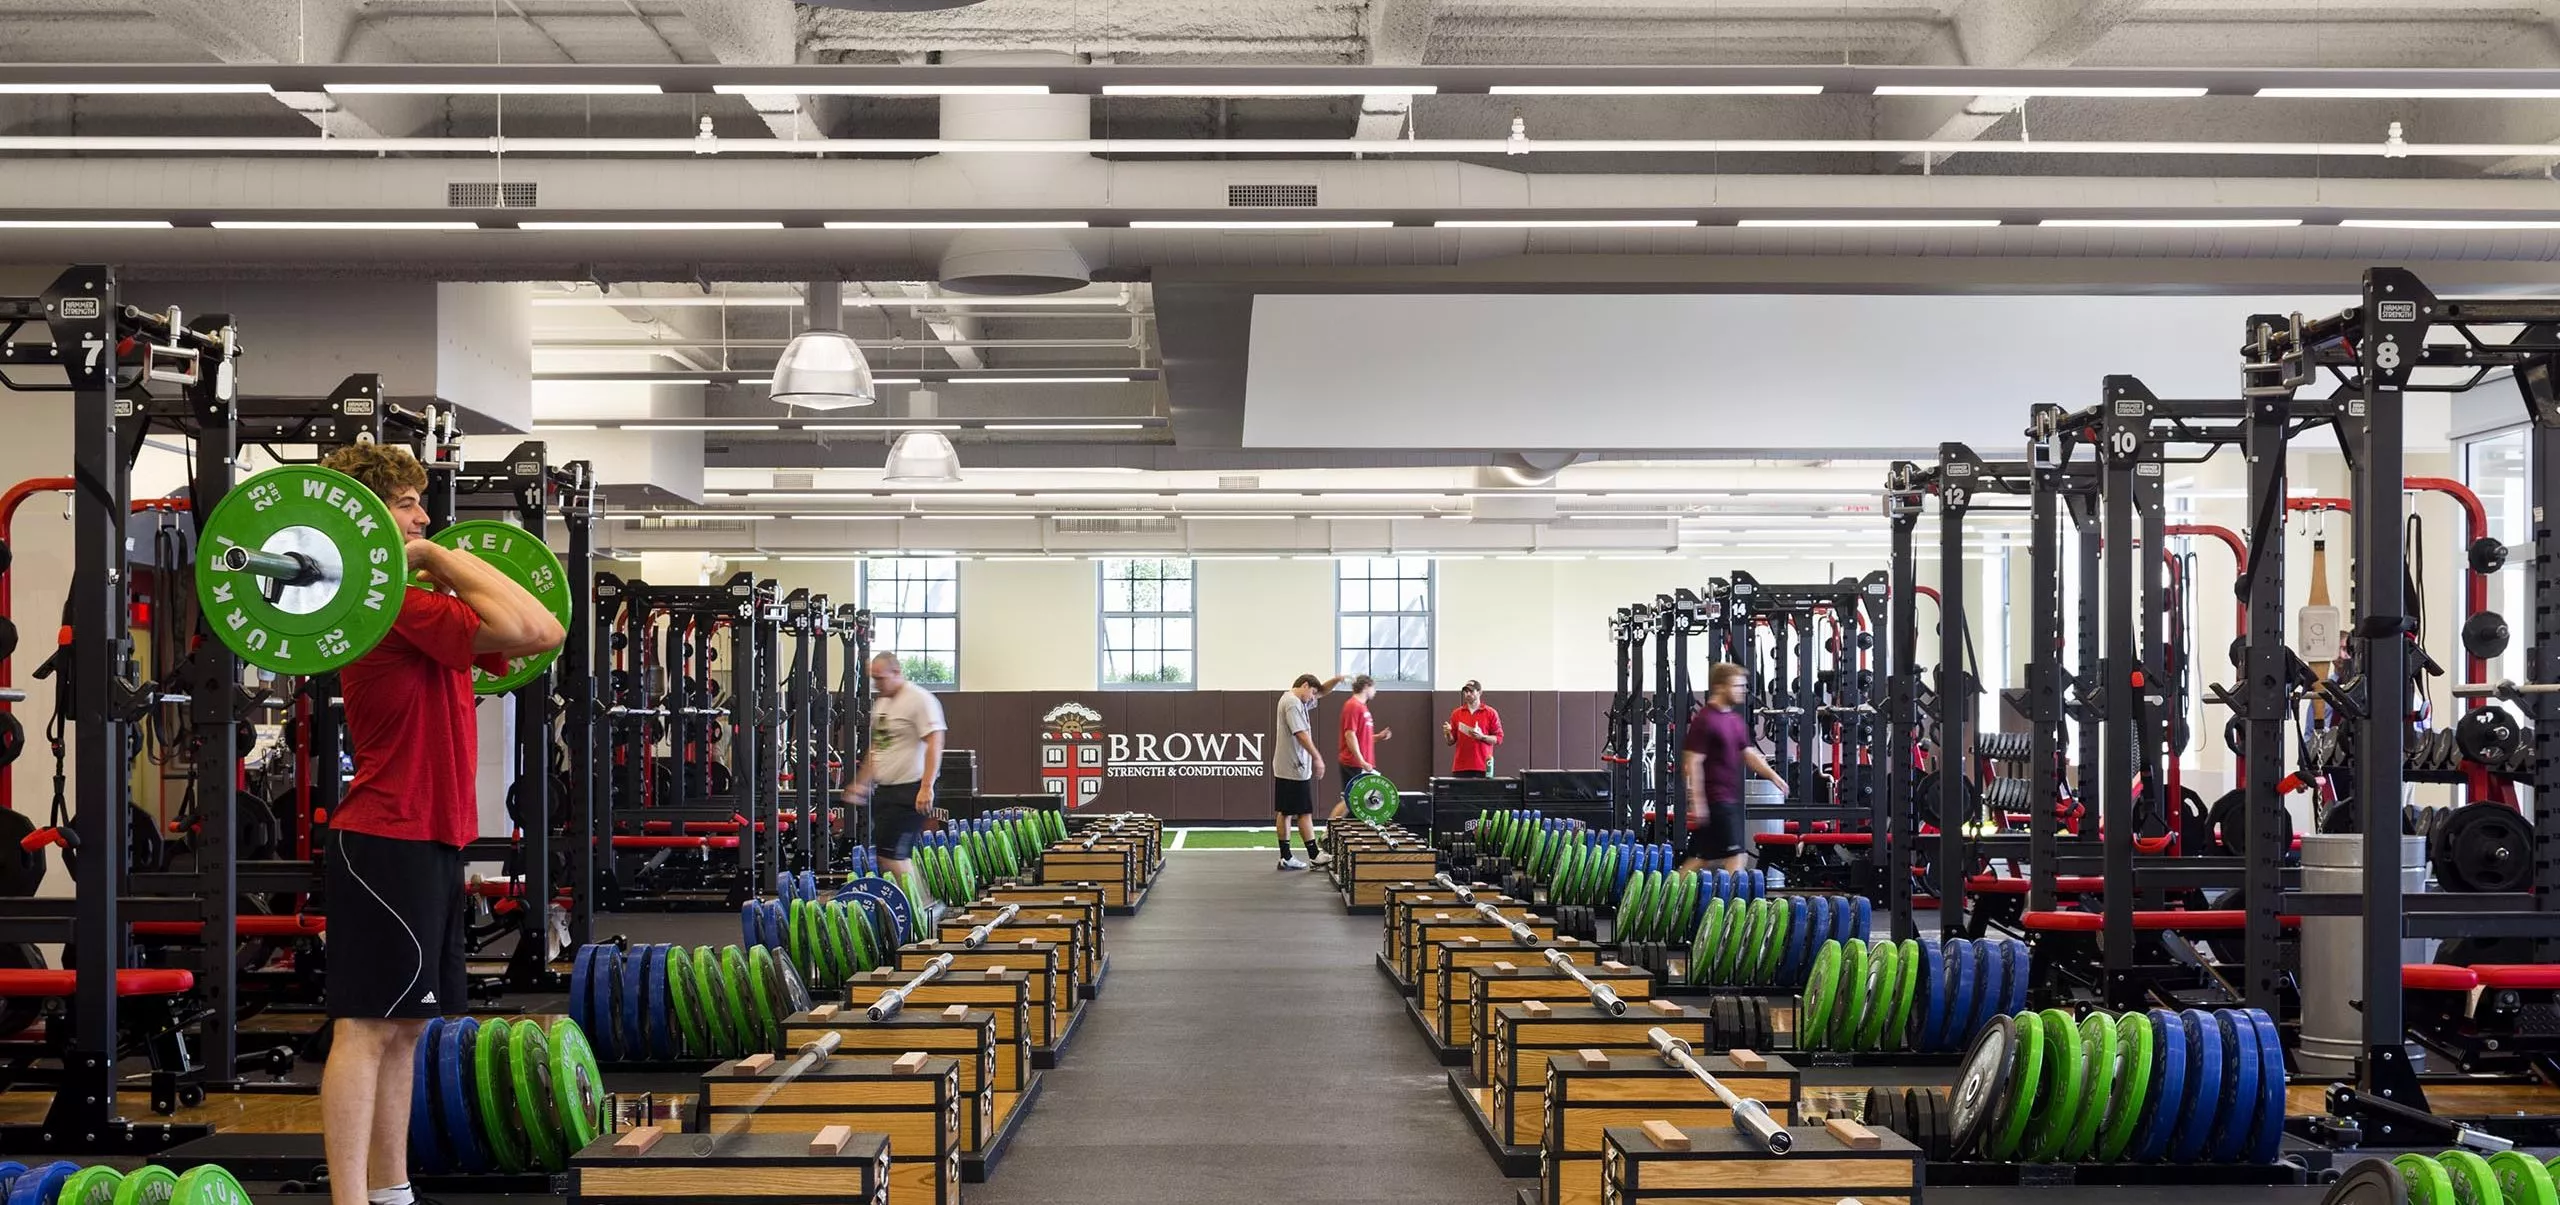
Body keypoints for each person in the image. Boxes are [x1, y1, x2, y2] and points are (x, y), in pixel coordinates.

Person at [318, 441, 565, 1205]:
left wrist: (427, 551)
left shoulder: (416, 604)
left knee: (408, 1026)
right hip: (386, 834)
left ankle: (393, 1191)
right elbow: (539, 631)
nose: (423, 515)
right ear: (366, 516)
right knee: (365, 1025)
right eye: (403, 504)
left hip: (430, 832)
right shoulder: (390, 601)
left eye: (420, 505)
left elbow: (538, 621)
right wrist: (434, 556)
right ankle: (351, 1199)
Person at [840, 651, 948, 884]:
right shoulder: (883, 704)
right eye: (874, 679)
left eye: (880, 678)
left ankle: (922, 910)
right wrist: (862, 783)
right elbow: (879, 746)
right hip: (887, 790)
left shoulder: (919, 700)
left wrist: (926, 787)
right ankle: (921, 906)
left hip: (912, 789)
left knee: (893, 857)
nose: (877, 684)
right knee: (888, 856)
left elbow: (935, 742)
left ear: (897, 672)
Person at [1680, 662, 1787, 874]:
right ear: (1720, 687)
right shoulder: (1706, 720)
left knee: (1701, 859)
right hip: (1716, 800)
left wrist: (1774, 777)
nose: (1742, 691)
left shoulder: (1734, 720)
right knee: (1736, 856)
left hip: (1729, 799)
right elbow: (1692, 762)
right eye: (1737, 686)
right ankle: (1733, 904)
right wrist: (1698, 801)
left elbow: (1748, 754)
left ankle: (1666, 899)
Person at [1269, 671, 1346, 870]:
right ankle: (1314, 855)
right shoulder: (1293, 704)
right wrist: (1317, 757)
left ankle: (1286, 856)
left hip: (1287, 766)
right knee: (1304, 812)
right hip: (1294, 766)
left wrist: (1336, 681)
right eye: (1311, 692)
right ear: (1304, 685)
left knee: (1285, 811)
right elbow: (1301, 734)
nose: (1313, 697)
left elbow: (1321, 692)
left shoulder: (1296, 700)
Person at [1328, 674, 1394, 822]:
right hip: (1353, 763)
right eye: (1373, 687)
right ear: (1366, 687)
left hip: (1363, 764)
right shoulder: (1353, 706)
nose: (1375, 691)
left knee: (1362, 800)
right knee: (1350, 800)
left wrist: (1379, 737)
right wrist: (1362, 760)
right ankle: (1328, 832)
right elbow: (1350, 735)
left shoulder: (1363, 708)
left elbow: (1361, 738)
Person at [1444, 680, 1503, 777]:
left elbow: (1499, 738)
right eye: (1466, 691)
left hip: (1483, 767)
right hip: (1461, 767)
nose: (1468, 694)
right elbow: (1450, 741)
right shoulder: (1457, 713)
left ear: (1479, 692)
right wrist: (1447, 733)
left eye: (1471, 691)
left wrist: (1482, 737)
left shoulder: (1490, 713)